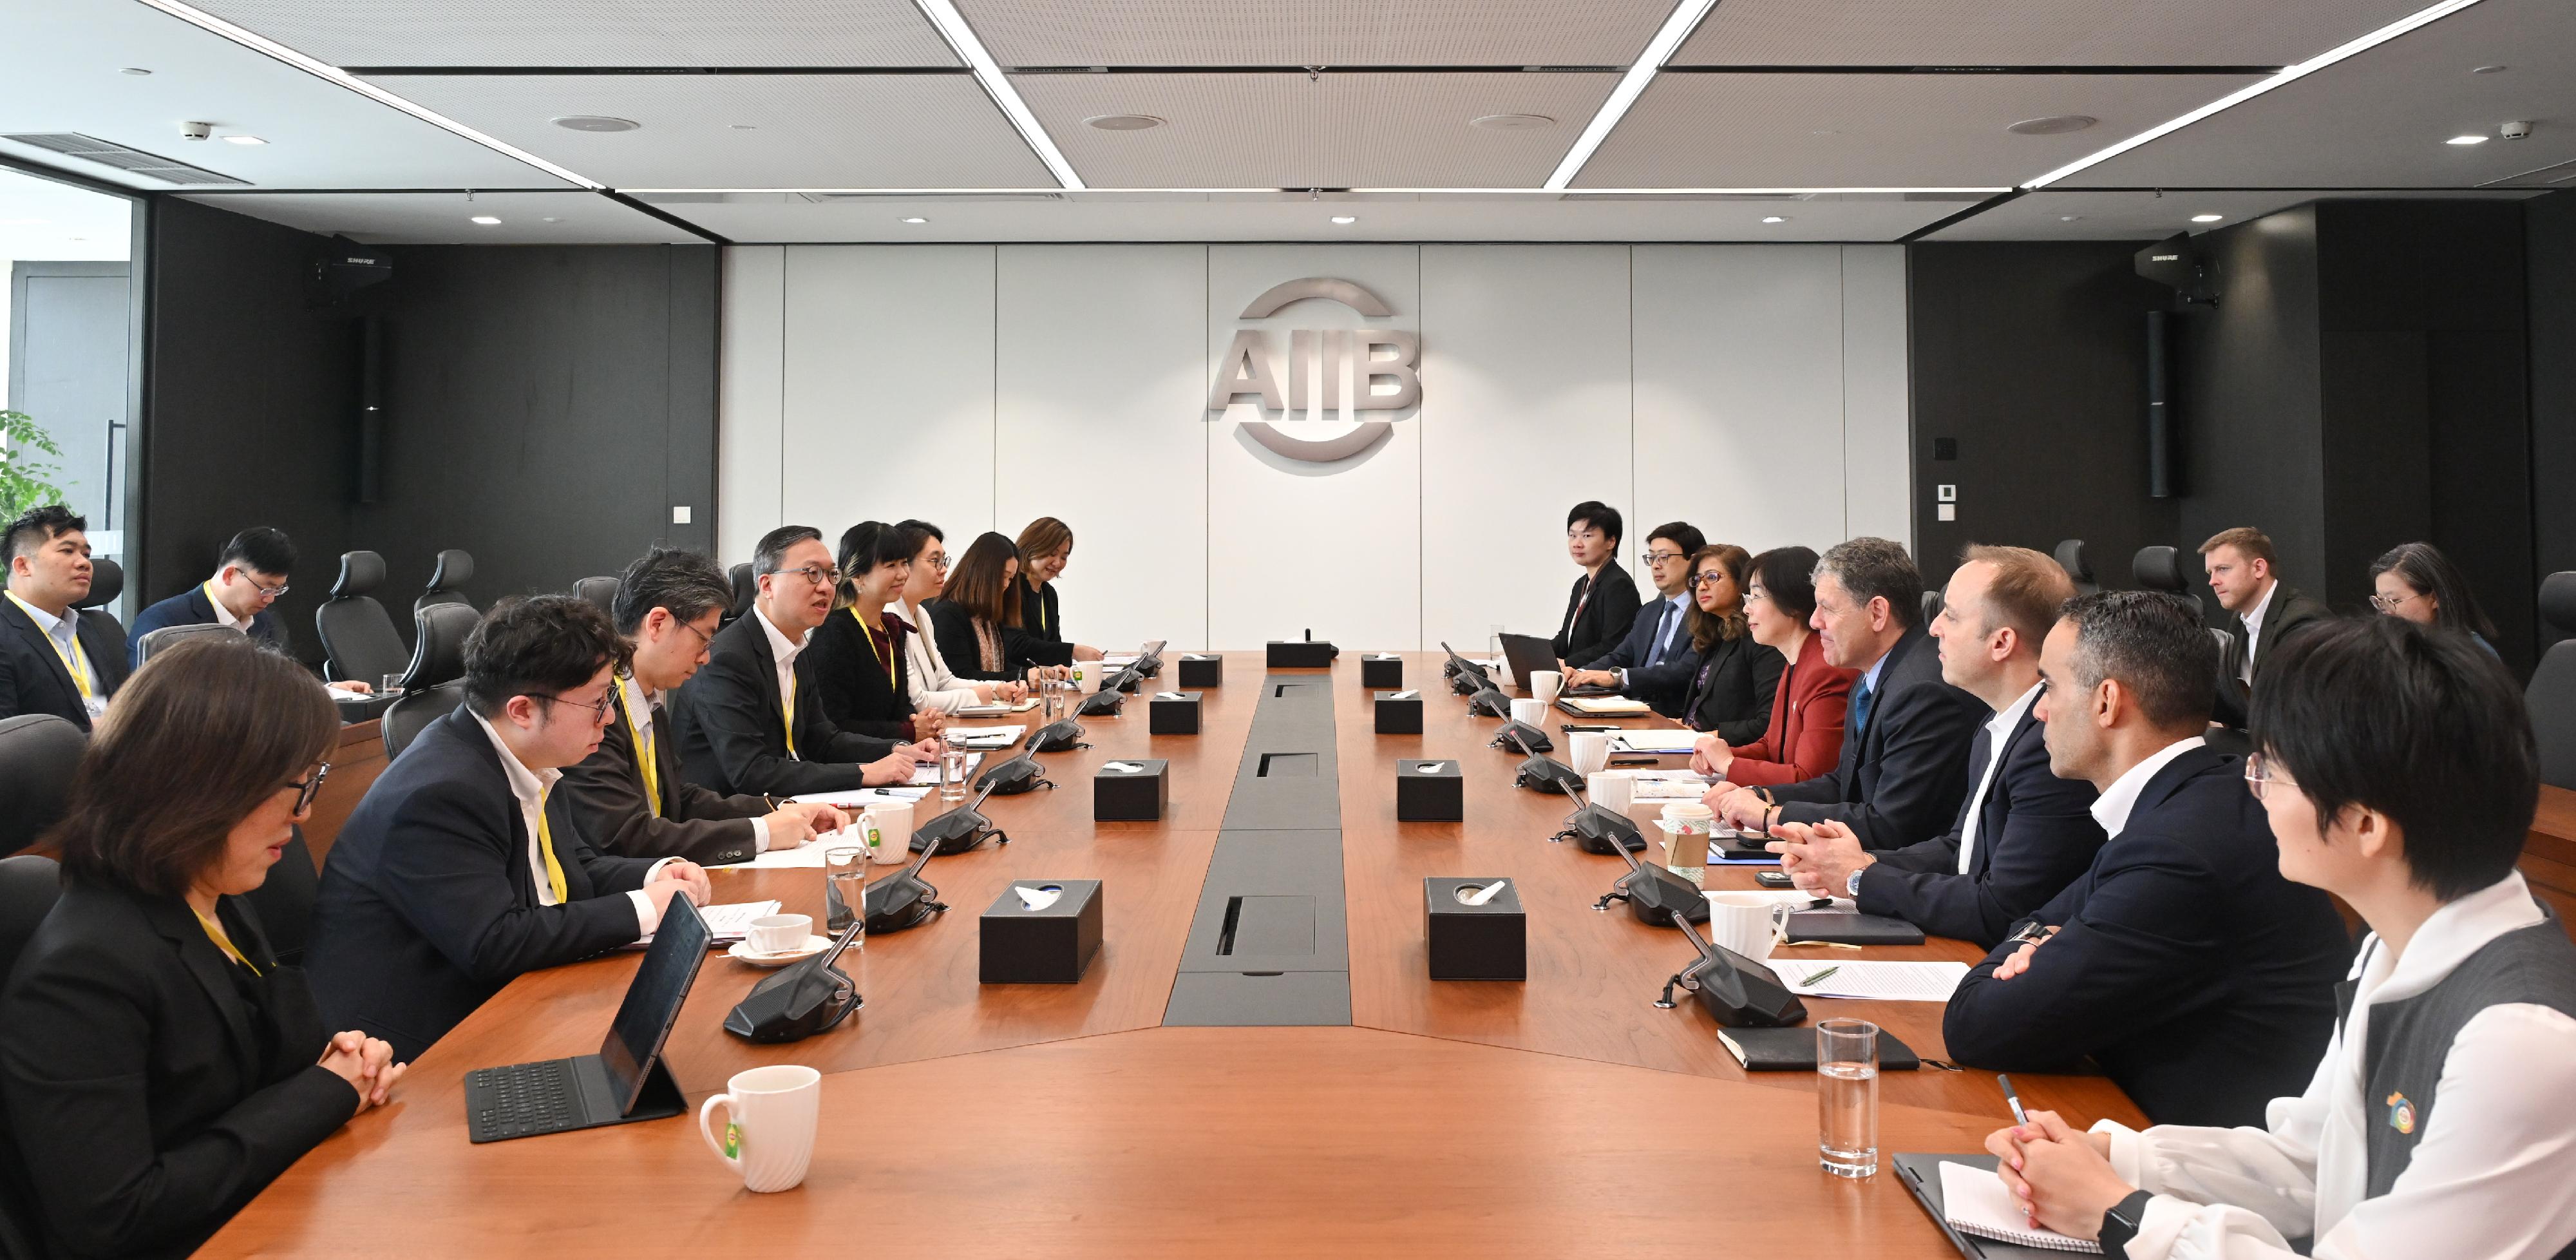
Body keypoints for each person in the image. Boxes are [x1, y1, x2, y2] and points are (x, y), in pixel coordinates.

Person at [1983, 617, 2576, 1259]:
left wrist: (2120, 1213)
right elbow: (2312, 1164)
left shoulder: (2516, 1039)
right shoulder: (2396, 944)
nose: (2253, 786)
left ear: (2365, 824)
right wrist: (2115, 1157)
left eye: (2272, 769)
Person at [0, 637, 404, 1259]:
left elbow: (263, 1058)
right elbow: (117, 1217)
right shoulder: (82, 971)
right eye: (297, 784)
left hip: (273, 1213)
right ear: (205, 785)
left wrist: (338, 1059)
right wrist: (326, 1091)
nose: (305, 813)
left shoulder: (211, 894)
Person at [1941, 591, 2351, 1128]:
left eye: (2050, 686)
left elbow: (1975, 1025)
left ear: (2107, 702)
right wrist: (2042, 940)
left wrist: (2038, 945)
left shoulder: (2179, 852)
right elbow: (2033, 923)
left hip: (2203, 1176)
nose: (2039, 709)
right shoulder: (2199, 794)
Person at [305, 597, 714, 1058]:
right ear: (522, 710)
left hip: (509, 999)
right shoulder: (440, 792)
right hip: (413, 1049)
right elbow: (494, 941)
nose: (611, 717)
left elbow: (570, 869)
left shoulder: (527, 756)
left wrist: (654, 875)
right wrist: (643, 908)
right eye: (598, 702)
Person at [1766, 546, 2104, 948]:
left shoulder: (2049, 748)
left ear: (2001, 643)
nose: (1934, 628)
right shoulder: (1995, 724)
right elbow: (1960, 849)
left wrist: (1861, 879)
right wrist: (1852, 862)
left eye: (1952, 615)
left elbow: (2002, 909)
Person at [556, 546, 849, 868]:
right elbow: (623, 837)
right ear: (657, 624)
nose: (707, 656)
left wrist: (779, 809)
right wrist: (760, 832)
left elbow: (678, 800)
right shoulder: (596, 710)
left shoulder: (646, 697)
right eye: (704, 638)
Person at [1710, 537, 1983, 850]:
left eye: (1827, 608)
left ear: (1877, 613)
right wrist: (1763, 795)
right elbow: (1843, 784)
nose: (1815, 621)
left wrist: (1773, 816)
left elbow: (1892, 825)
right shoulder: (1873, 672)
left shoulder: (1923, 692)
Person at [670, 526, 934, 798]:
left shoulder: (797, 646)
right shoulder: (727, 658)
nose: (826, 587)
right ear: (767, 585)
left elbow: (823, 740)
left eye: (831, 574)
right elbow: (751, 772)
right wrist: (863, 772)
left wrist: (896, 749)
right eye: (811, 574)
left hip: (788, 802)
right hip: (731, 819)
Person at [126, 526, 371, 693]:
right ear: (231, 574)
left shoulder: (264, 622)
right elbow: (153, 701)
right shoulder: (165, 622)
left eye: (279, 590)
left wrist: (325, 691)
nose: (270, 600)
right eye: (265, 588)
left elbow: (279, 683)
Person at [1692, 546, 1852, 785]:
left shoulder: (1825, 671)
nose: (1747, 608)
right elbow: (1772, 746)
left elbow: (1809, 778)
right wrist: (1721, 755)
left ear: (1793, 602)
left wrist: (1729, 764)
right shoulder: (1795, 660)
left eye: (1755, 597)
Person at [806, 520, 948, 741]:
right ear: (858, 576)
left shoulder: (891, 628)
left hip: (894, 757)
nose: (903, 574)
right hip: (856, 766)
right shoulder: (836, 633)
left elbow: (899, 707)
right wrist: (908, 731)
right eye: (891, 566)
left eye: (904, 563)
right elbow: (834, 725)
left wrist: (922, 721)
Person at [0, 504, 127, 730]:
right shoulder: (5, 637)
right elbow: (8, 743)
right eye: (67, 551)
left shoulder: (96, 628)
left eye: (86, 554)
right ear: (23, 566)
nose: (84, 563)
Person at [1562, 521, 1708, 716]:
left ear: (1694, 561)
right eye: (1652, 557)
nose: (1656, 565)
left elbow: (1685, 671)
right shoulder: (1650, 610)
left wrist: (1618, 677)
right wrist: (1580, 673)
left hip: (1672, 717)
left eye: (1664, 557)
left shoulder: (1706, 614)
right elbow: (1621, 655)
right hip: (1633, 709)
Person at [891, 520, 1028, 714]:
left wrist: (996, 689)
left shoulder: (922, 615)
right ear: (905, 564)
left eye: (944, 561)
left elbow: (945, 681)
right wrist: (978, 696)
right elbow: (916, 700)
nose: (944, 569)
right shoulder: (891, 617)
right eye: (935, 561)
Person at [2202, 526, 2329, 727]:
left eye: (2223, 569)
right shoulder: (2240, 619)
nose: (2213, 581)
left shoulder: (2304, 620)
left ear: (2259, 568)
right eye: (2210, 572)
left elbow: (2297, 712)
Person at [1669, 544, 1784, 742]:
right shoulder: (1716, 634)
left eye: (1712, 577)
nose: (1702, 586)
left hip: (1728, 754)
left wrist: (1707, 737)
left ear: (1742, 583)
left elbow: (1768, 722)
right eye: (1697, 580)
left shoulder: (1761, 639)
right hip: (1695, 745)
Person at [923, 531, 1065, 685]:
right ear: (982, 571)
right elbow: (960, 676)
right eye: (1003, 576)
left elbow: (1001, 667)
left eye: (1010, 579)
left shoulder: (987, 616)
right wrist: (1023, 677)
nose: (1006, 584)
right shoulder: (948, 614)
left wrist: (1035, 673)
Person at [1549, 501, 1642, 669]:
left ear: (1611, 542)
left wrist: (1566, 663)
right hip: (1574, 678)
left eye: (1587, 536)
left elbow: (1613, 647)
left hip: (1599, 683)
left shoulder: (1619, 585)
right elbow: (1567, 639)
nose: (1577, 543)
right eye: (1572, 535)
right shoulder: (1581, 585)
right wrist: (1535, 655)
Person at [2369, 540, 2499, 655]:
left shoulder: (2474, 655)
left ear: (2435, 599)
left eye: (2394, 601)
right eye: (2380, 600)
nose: (2386, 612)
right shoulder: (2382, 650)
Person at [1013, 516, 1101, 663]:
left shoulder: (1049, 593)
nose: (1057, 563)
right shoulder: (1011, 589)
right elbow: (1017, 644)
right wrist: (1072, 651)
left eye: (1064, 557)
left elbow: (1053, 645)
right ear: (1031, 548)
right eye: (1052, 554)